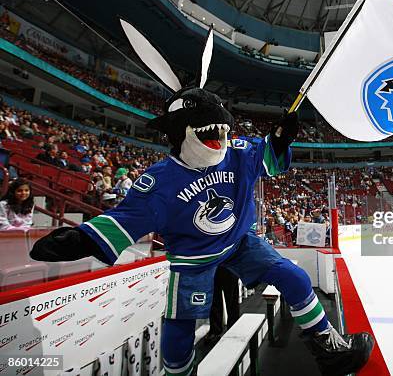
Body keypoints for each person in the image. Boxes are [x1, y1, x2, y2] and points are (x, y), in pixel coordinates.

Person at [29, 21, 373, 376]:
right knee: (179, 325)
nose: (220, 136)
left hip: (240, 241)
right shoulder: (161, 180)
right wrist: (82, 238)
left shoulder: (236, 152)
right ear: (178, 131)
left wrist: (281, 140)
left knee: (295, 278)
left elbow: (267, 157)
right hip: (193, 256)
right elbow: (126, 218)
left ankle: (329, 349)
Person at [202, 266, 240, 345]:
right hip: (213, 265)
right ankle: (215, 330)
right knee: (214, 299)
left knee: (232, 300)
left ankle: (233, 330)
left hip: (230, 264)